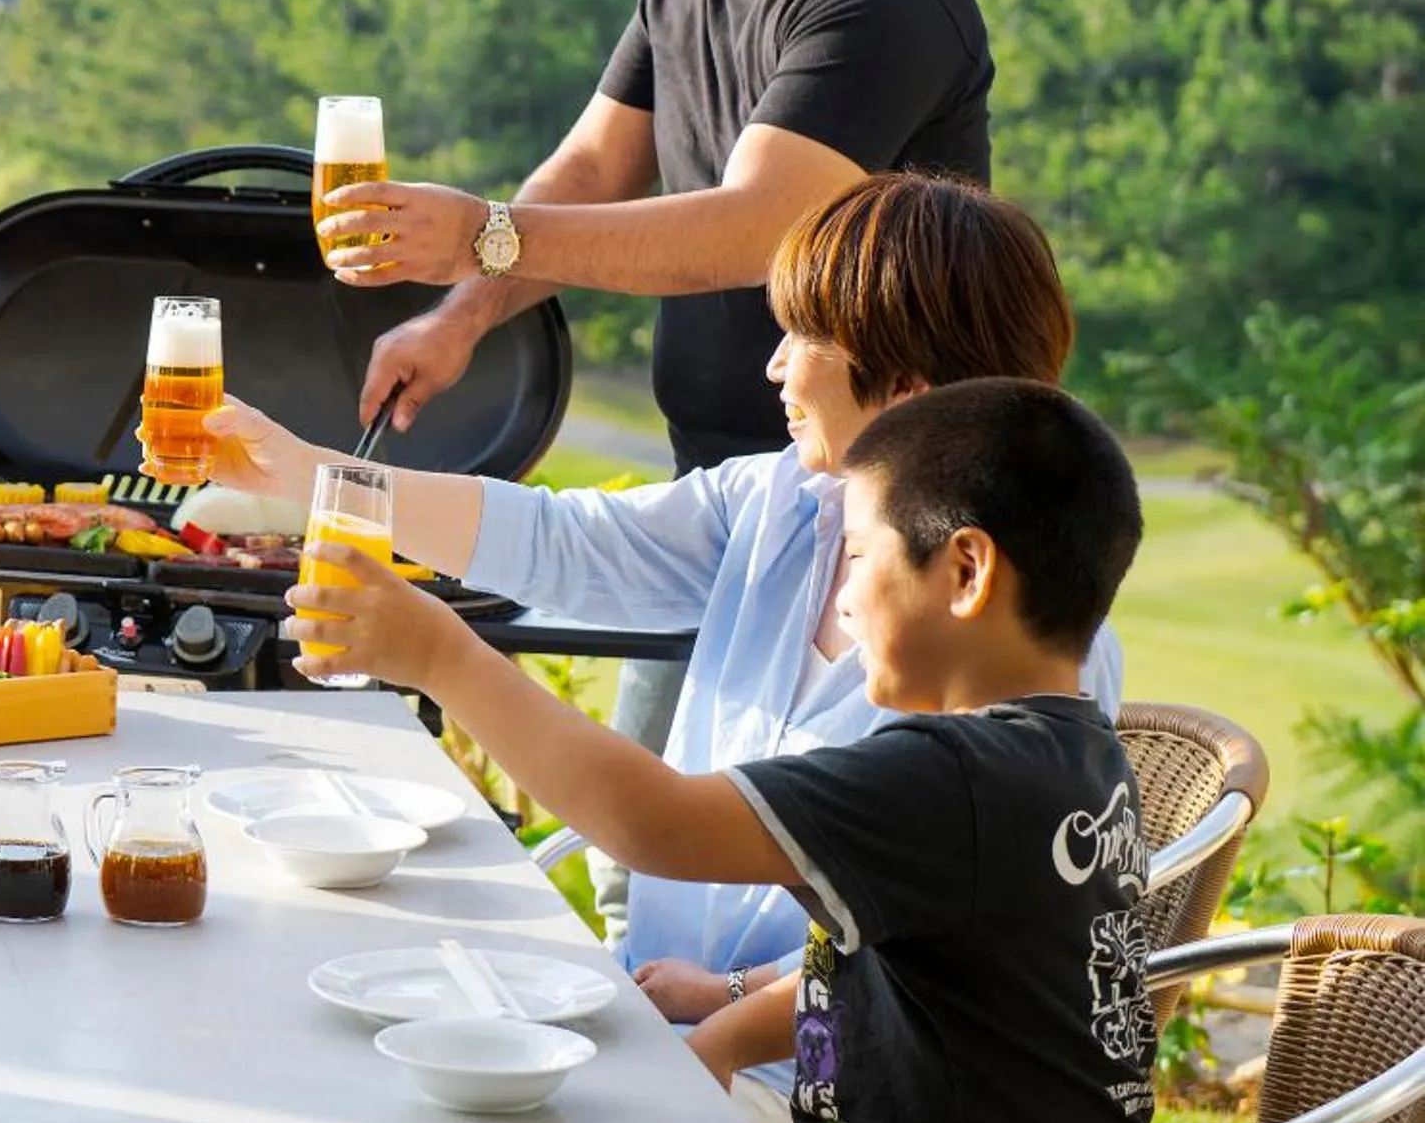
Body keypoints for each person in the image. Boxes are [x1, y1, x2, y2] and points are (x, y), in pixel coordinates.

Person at [324, 0, 997, 915]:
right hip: (730, 512)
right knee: (655, 875)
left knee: (792, 903)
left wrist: (479, 230)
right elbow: (590, 166)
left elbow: (758, 225)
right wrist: (464, 316)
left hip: (876, 528)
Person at [204, 171, 1121, 1041]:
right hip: (658, 1007)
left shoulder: (1015, 650)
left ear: (908, 396)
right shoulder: (788, 502)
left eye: (801, 338)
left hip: (811, 1081)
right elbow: (567, 543)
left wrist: (440, 653)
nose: (773, 368)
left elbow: (671, 830)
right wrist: (310, 476)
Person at [288, 378, 1157, 1123]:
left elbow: (652, 823)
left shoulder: (946, 781)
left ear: (966, 573)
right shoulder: (1075, 759)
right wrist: (723, 1036)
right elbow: (877, 964)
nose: (844, 597)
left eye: (859, 558)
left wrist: (440, 654)